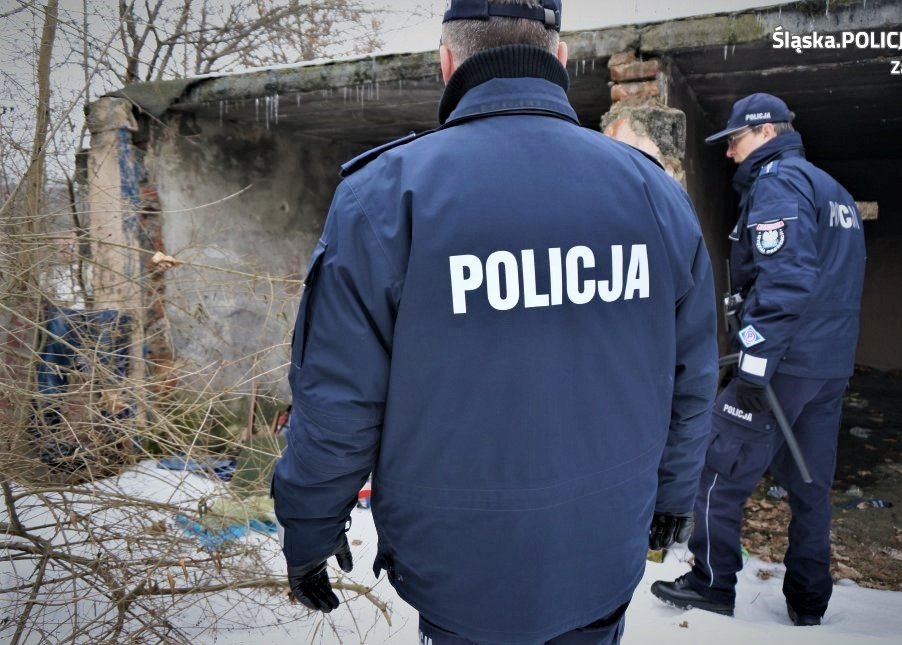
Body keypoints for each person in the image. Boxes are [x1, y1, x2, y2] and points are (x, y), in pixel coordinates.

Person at [272, 1, 718, 642]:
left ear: (447, 62)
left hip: (461, 576)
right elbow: (692, 373)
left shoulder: (385, 196)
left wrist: (309, 528)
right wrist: (673, 495)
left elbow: (338, 400)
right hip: (601, 556)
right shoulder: (654, 194)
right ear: (559, 58)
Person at [650, 93, 866, 627]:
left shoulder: (780, 184)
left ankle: (710, 582)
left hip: (784, 364)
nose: (729, 154)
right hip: (827, 366)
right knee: (810, 485)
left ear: (766, 132)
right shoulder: (831, 189)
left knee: (715, 468)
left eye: (736, 140)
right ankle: (809, 600)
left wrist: (754, 361)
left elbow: (787, 280)